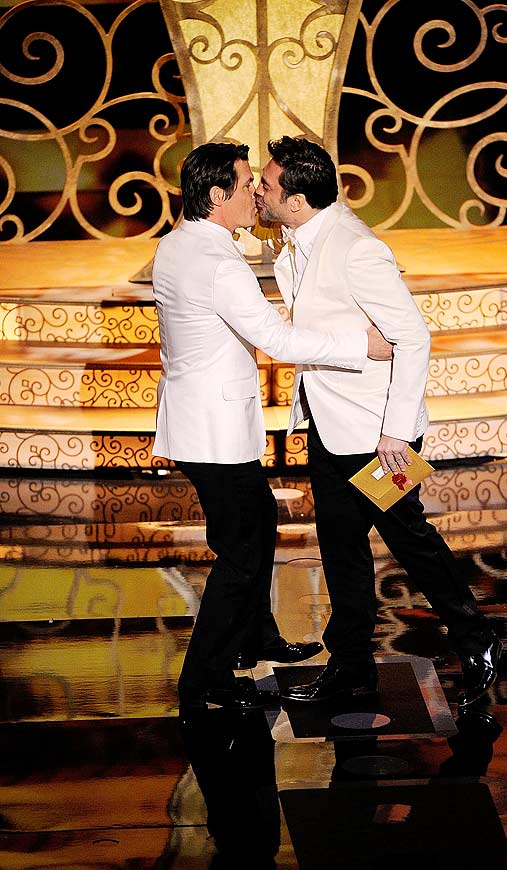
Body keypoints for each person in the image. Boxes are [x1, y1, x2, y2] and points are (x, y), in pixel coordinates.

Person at [255, 135, 501, 707]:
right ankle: (350, 664)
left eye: (266, 186)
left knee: (409, 538)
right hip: (329, 423)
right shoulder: (298, 239)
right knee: (340, 545)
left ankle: (476, 638)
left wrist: (394, 432)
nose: (260, 193)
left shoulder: (357, 249)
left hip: (379, 435)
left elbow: (413, 338)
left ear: (297, 200)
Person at [151, 141, 392, 710]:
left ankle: (256, 637)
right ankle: (205, 677)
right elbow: (278, 340)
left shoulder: (177, 243)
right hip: (214, 429)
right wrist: (361, 345)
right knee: (241, 553)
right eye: (246, 184)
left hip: (196, 419)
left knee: (256, 523)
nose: (256, 194)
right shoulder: (218, 264)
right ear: (217, 196)